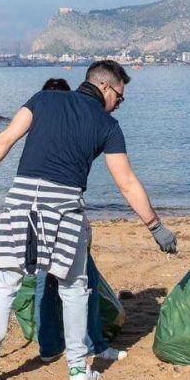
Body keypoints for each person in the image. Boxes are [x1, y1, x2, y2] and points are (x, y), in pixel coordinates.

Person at [0, 60, 178, 380]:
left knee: (5, 283)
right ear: (105, 87)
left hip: (21, 199)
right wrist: (155, 227)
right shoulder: (107, 126)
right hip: (64, 206)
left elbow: (5, 139)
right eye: (120, 97)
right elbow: (127, 183)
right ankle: (78, 370)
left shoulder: (44, 99)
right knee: (74, 287)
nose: (119, 104)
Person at [30, 78, 126, 364]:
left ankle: (49, 347)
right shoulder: (80, 122)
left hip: (35, 209)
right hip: (63, 213)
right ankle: (92, 346)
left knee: (44, 283)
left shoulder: (40, 126)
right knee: (85, 283)